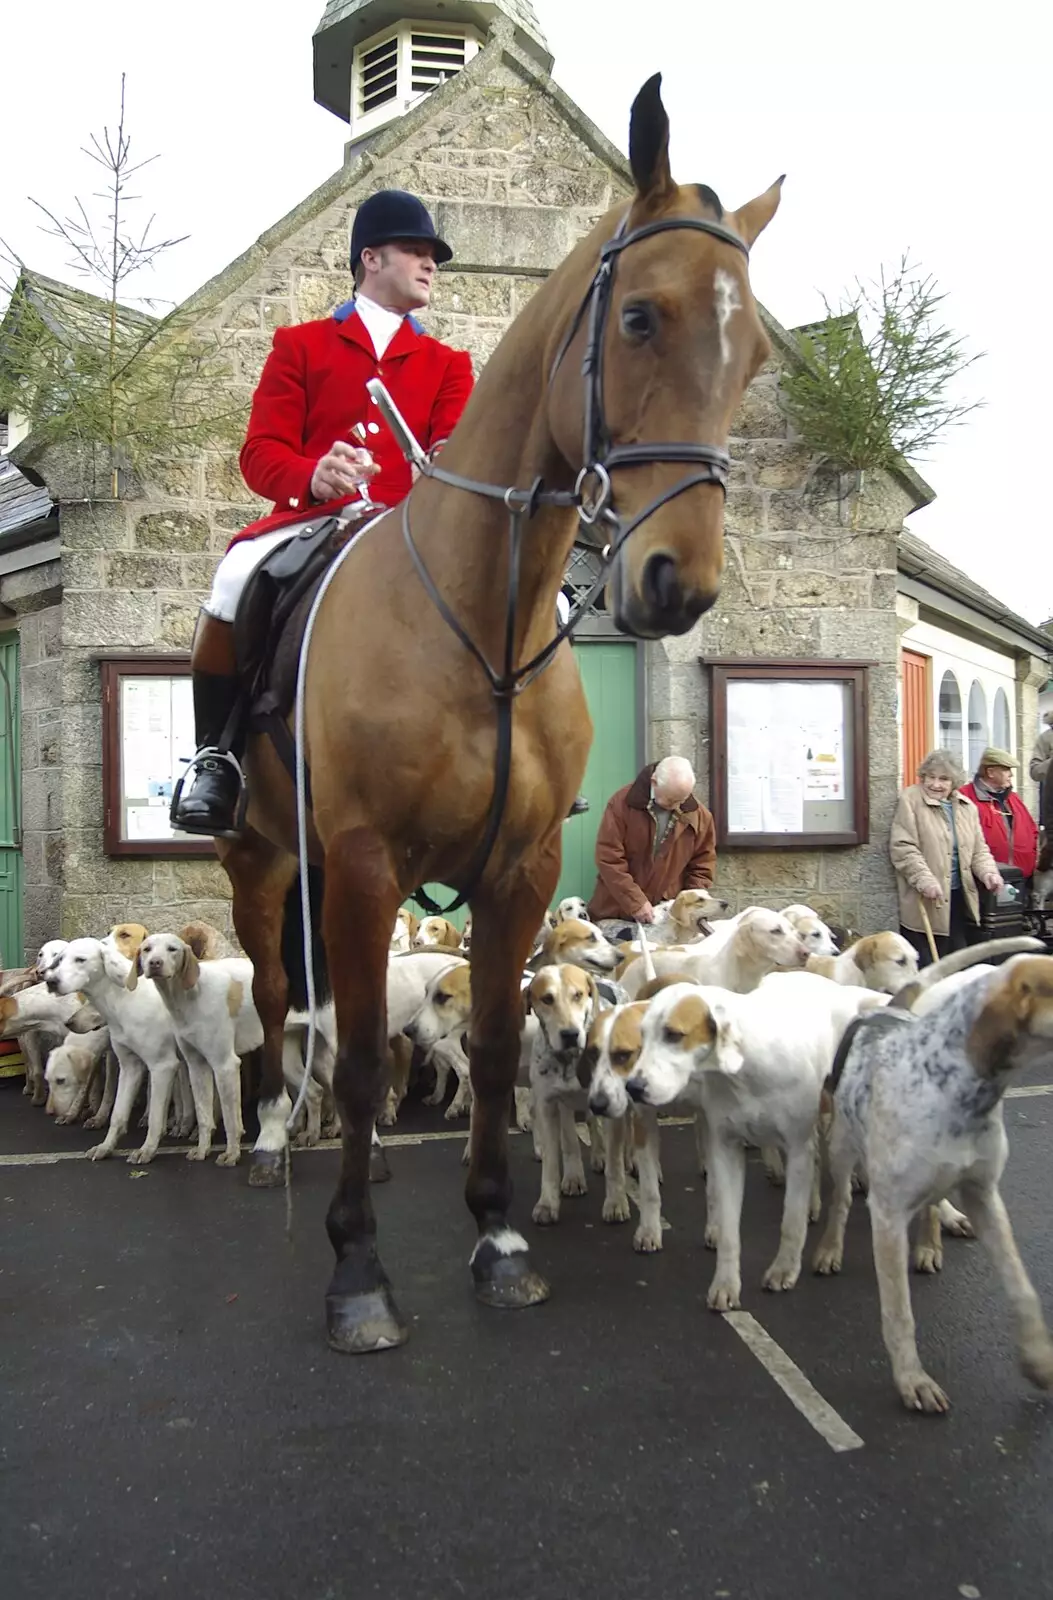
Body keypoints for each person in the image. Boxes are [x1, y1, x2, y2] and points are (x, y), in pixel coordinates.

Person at [171, 189, 474, 836]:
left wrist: (446, 468)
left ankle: (505, 753)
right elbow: (259, 454)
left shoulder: (448, 365)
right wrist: (315, 474)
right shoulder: (301, 346)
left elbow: (455, 447)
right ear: (370, 258)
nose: (430, 266)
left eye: (432, 257)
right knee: (231, 582)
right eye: (415, 252)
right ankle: (216, 755)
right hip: (315, 521)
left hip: (412, 529)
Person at [889, 748, 1003, 967]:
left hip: (958, 899)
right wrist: (924, 880)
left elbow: (979, 850)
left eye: (943, 779)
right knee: (927, 966)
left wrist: (989, 873)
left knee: (957, 964)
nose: (935, 784)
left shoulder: (967, 807)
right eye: (930, 777)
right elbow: (903, 847)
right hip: (926, 900)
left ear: (954, 782)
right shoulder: (911, 800)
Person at [587, 757, 716, 931]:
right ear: (654, 782)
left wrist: (691, 905)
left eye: (682, 799)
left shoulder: (700, 816)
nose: (677, 806)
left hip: (666, 917)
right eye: (671, 800)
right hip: (616, 911)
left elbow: (702, 866)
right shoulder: (621, 805)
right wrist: (635, 902)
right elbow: (609, 859)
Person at [959, 747, 1038, 883]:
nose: (1011, 775)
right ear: (990, 772)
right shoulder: (965, 796)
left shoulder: (1014, 798)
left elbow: (1033, 831)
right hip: (985, 880)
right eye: (1006, 769)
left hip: (1022, 879)